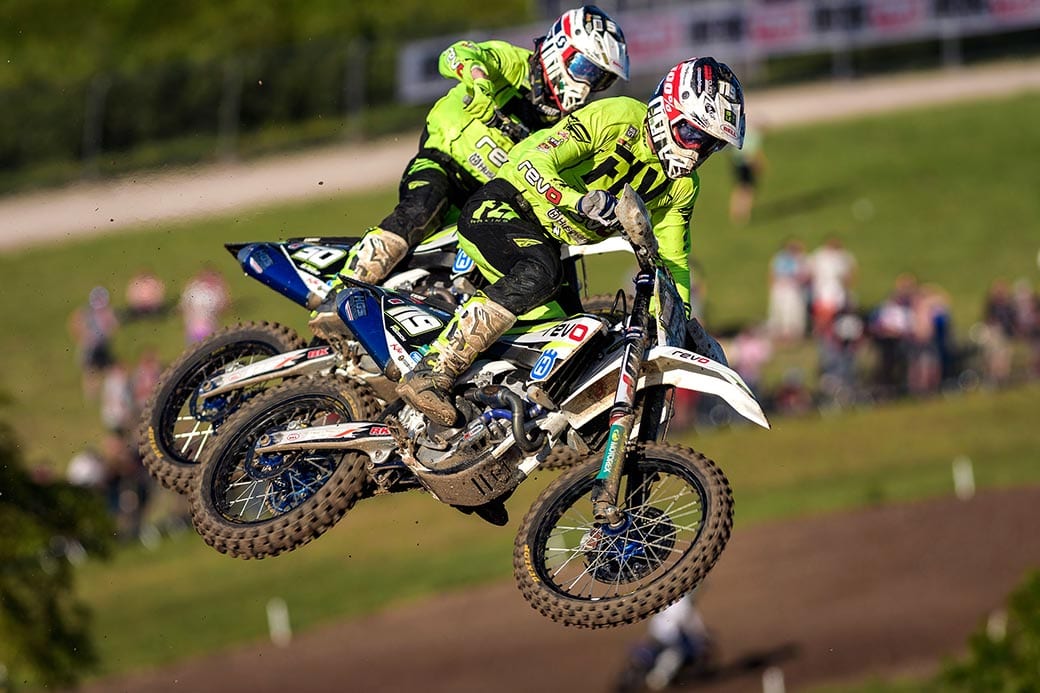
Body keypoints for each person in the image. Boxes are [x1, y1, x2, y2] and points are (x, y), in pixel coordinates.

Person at [398, 57, 746, 426]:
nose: (694, 153)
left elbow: (672, 260)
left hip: (551, 245)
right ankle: (432, 369)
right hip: (502, 206)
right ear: (665, 110)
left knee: (572, 343)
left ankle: (485, 415)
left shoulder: (682, 187)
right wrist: (576, 201)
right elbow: (534, 160)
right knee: (540, 272)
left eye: (709, 145)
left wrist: (678, 324)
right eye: (692, 134)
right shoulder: (618, 117)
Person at [323, 7, 629, 294]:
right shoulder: (513, 64)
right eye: (586, 69)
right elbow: (457, 54)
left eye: (601, 78)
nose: (588, 85)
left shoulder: (570, 123)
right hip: (444, 163)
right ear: (560, 48)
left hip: (490, 196)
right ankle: (343, 291)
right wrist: (480, 84)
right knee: (420, 208)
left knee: (543, 255)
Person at [67, 286, 119, 400]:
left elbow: (112, 325)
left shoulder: (107, 311)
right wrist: (83, 336)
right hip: (90, 346)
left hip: (102, 346)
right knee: (90, 371)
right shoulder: (86, 311)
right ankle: (91, 396)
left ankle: (104, 395)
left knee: (106, 370)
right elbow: (74, 323)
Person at [808, 235, 857, 335]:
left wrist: (847, 283)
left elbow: (850, 271)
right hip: (822, 287)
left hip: (837, 287)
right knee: (823, 309)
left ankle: (833, 329)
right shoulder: (819, 255)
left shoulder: (843, 256)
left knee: (837, 308)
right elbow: (811, 270)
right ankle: (821, 330)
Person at [766, 238, 809, 342]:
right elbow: (772, 273)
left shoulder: (800, 259)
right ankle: (779, 333)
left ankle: (793, 334)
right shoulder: (779, 258)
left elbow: (804, 275)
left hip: (793, 289)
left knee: (793, 312)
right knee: (779, 312)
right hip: (781, 288)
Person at [180, 265, 230, 343]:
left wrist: (223, 286)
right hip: (193, 328)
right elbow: (185, 305)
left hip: (210, 328)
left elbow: (225, 306)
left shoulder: (216, 291)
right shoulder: (194, 288)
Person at [728, 120, 766, 225]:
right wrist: (759, 165)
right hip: (747, 165)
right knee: (748, 190)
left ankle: (734, 212)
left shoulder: (746, 134)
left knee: (739, 188)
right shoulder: (756, 137)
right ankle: (745, 214)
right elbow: (754, 153)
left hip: (737, 163)